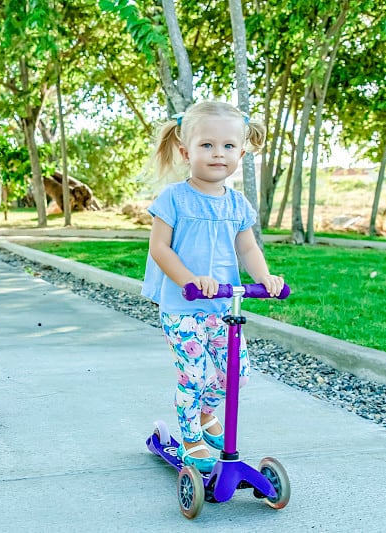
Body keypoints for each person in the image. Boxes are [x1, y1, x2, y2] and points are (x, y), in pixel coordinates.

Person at [141, 101, 285, 471]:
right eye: (206, 145)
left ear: (241, 151)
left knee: (234, 374)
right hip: (183, 306)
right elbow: (159, 248)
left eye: (227, 146)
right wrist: (189, 280)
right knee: (195, 374)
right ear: (187, 151)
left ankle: (206, 415)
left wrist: (264, 277)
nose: (217, 154)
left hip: (224, 308)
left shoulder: (238, 204)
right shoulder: (174, 198)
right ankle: (190, 436)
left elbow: (247, 246)